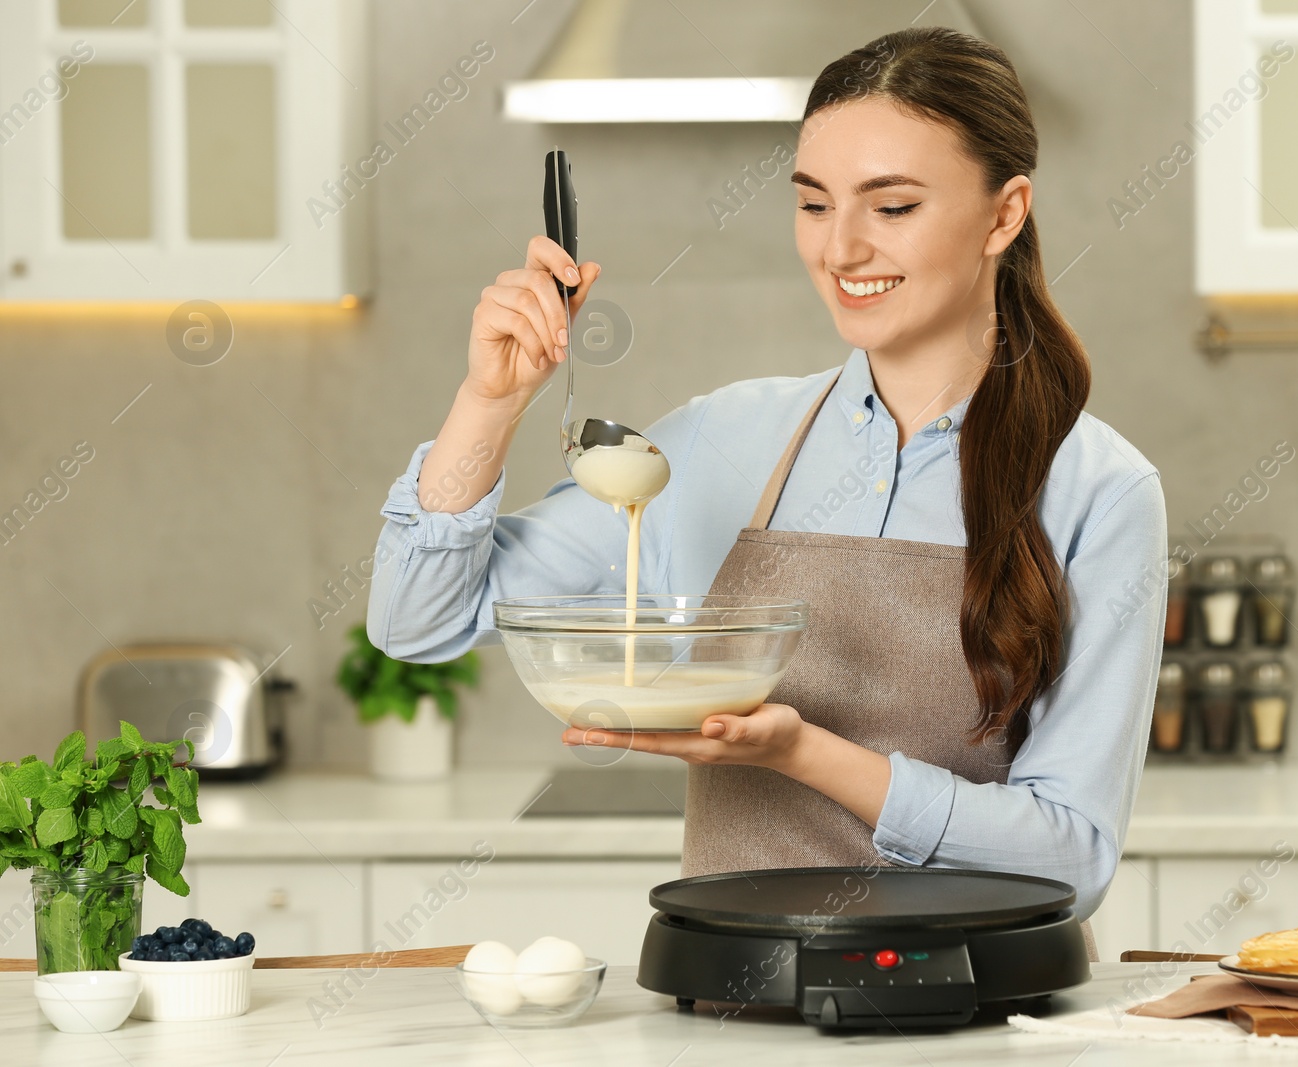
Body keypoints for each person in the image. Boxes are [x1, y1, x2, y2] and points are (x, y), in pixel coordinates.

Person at [367, 27, 1166, 954]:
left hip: (973, 1020)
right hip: (731, 1010)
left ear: (1004, 214)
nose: (842, 247)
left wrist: (799, 750)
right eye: (814, 204)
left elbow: (1071, 861)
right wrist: (489, 403)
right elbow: (415, 619)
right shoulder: (722, 442)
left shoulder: (1100, 491)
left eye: (893, 205)